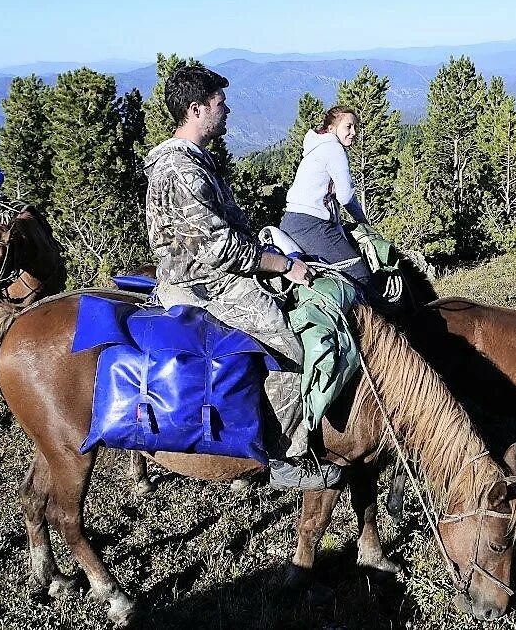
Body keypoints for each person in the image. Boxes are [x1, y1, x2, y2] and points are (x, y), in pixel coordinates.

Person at [143, 64, 341, 490]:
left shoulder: (189, 162)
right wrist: (284, 265)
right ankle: (283, 456)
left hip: (205, 273)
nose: (228, 109)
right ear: (196, 110)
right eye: (220, 103)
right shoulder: (183, 171)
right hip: (207, 284)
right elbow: (219, 248)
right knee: (290, 346)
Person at [280, 105, 376, 294]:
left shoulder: (317, 147)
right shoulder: (334, 148)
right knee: (359, 274)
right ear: (332, 129)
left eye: (355, 127)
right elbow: (346, 196)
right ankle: (372, 322)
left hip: (291, 221)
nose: (354, 132)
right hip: (312, 224)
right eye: (348, 127)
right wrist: (363, 222)